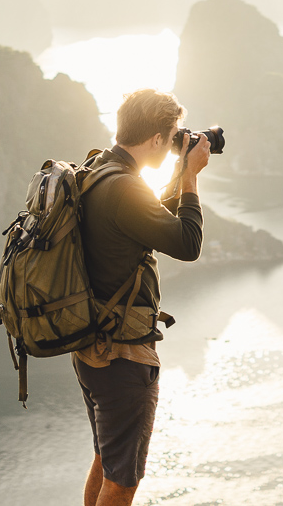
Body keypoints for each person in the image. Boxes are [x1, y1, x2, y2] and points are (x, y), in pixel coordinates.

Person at [73, 88, 210, 506]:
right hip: (123, 357)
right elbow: (188, 243)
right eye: (170, 138)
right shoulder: (125, 188)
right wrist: (190, 176)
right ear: (155, 139)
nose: (172, 145)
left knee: (105, 459)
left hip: (91, 347)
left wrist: (178, 172)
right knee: (123, 480)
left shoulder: (99, 170)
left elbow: (144, 218)